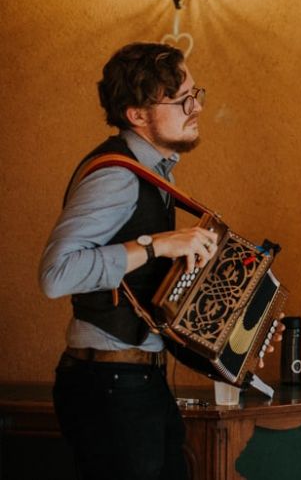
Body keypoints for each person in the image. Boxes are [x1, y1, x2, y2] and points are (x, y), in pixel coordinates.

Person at [39, 43, 222, 479]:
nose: (196, 108)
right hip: (110, 385)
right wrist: (156, 245)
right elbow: (55, 274)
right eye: (182, 100)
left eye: (196, 95)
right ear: (137, 114)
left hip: (134, 380)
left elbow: (144, 286)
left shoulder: (154, 172)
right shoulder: (116, 177)